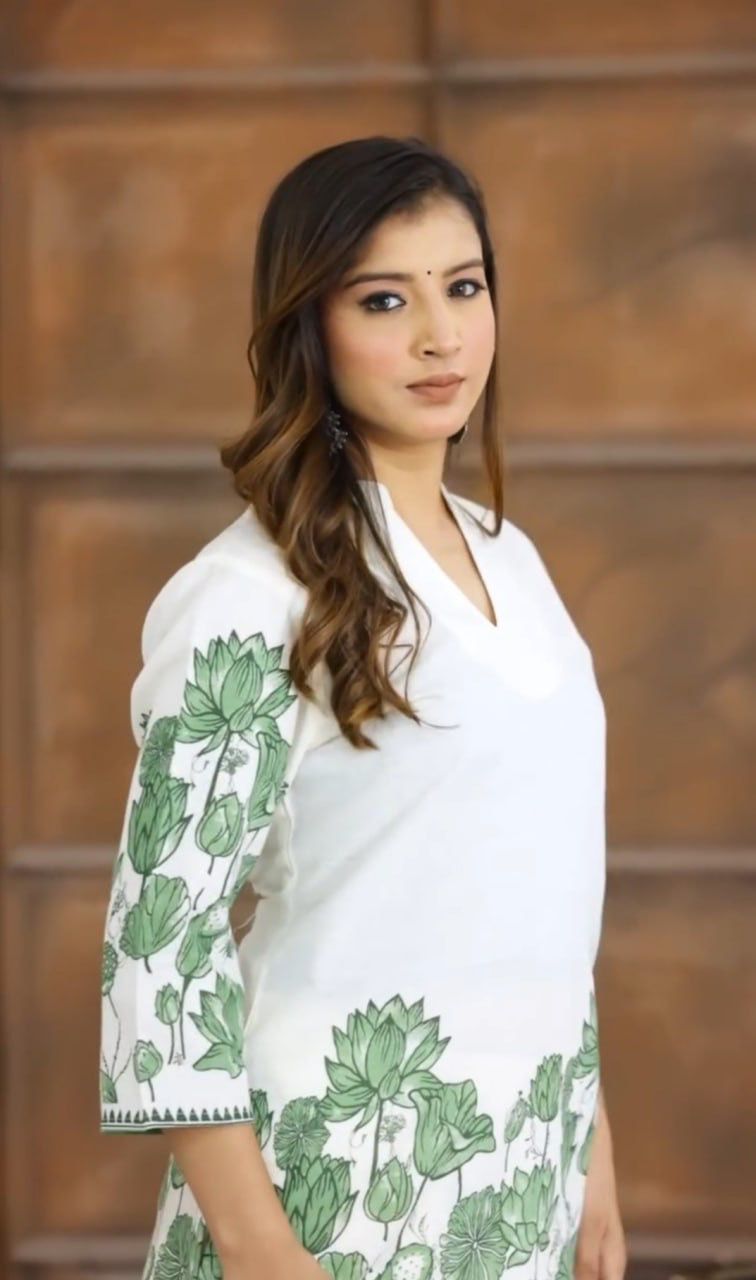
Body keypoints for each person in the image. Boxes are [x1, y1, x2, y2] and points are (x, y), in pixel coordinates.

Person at [99, 135, 624, 1280]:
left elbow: (536, 883)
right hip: (326, 1199)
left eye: (463, 286)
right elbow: (163, 941)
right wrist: (257, 1243)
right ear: (311, 326)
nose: (441, 336)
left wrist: (592, 1156)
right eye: (386, 299)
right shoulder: (249, 593)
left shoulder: (513, 559)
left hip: (523, 1185)